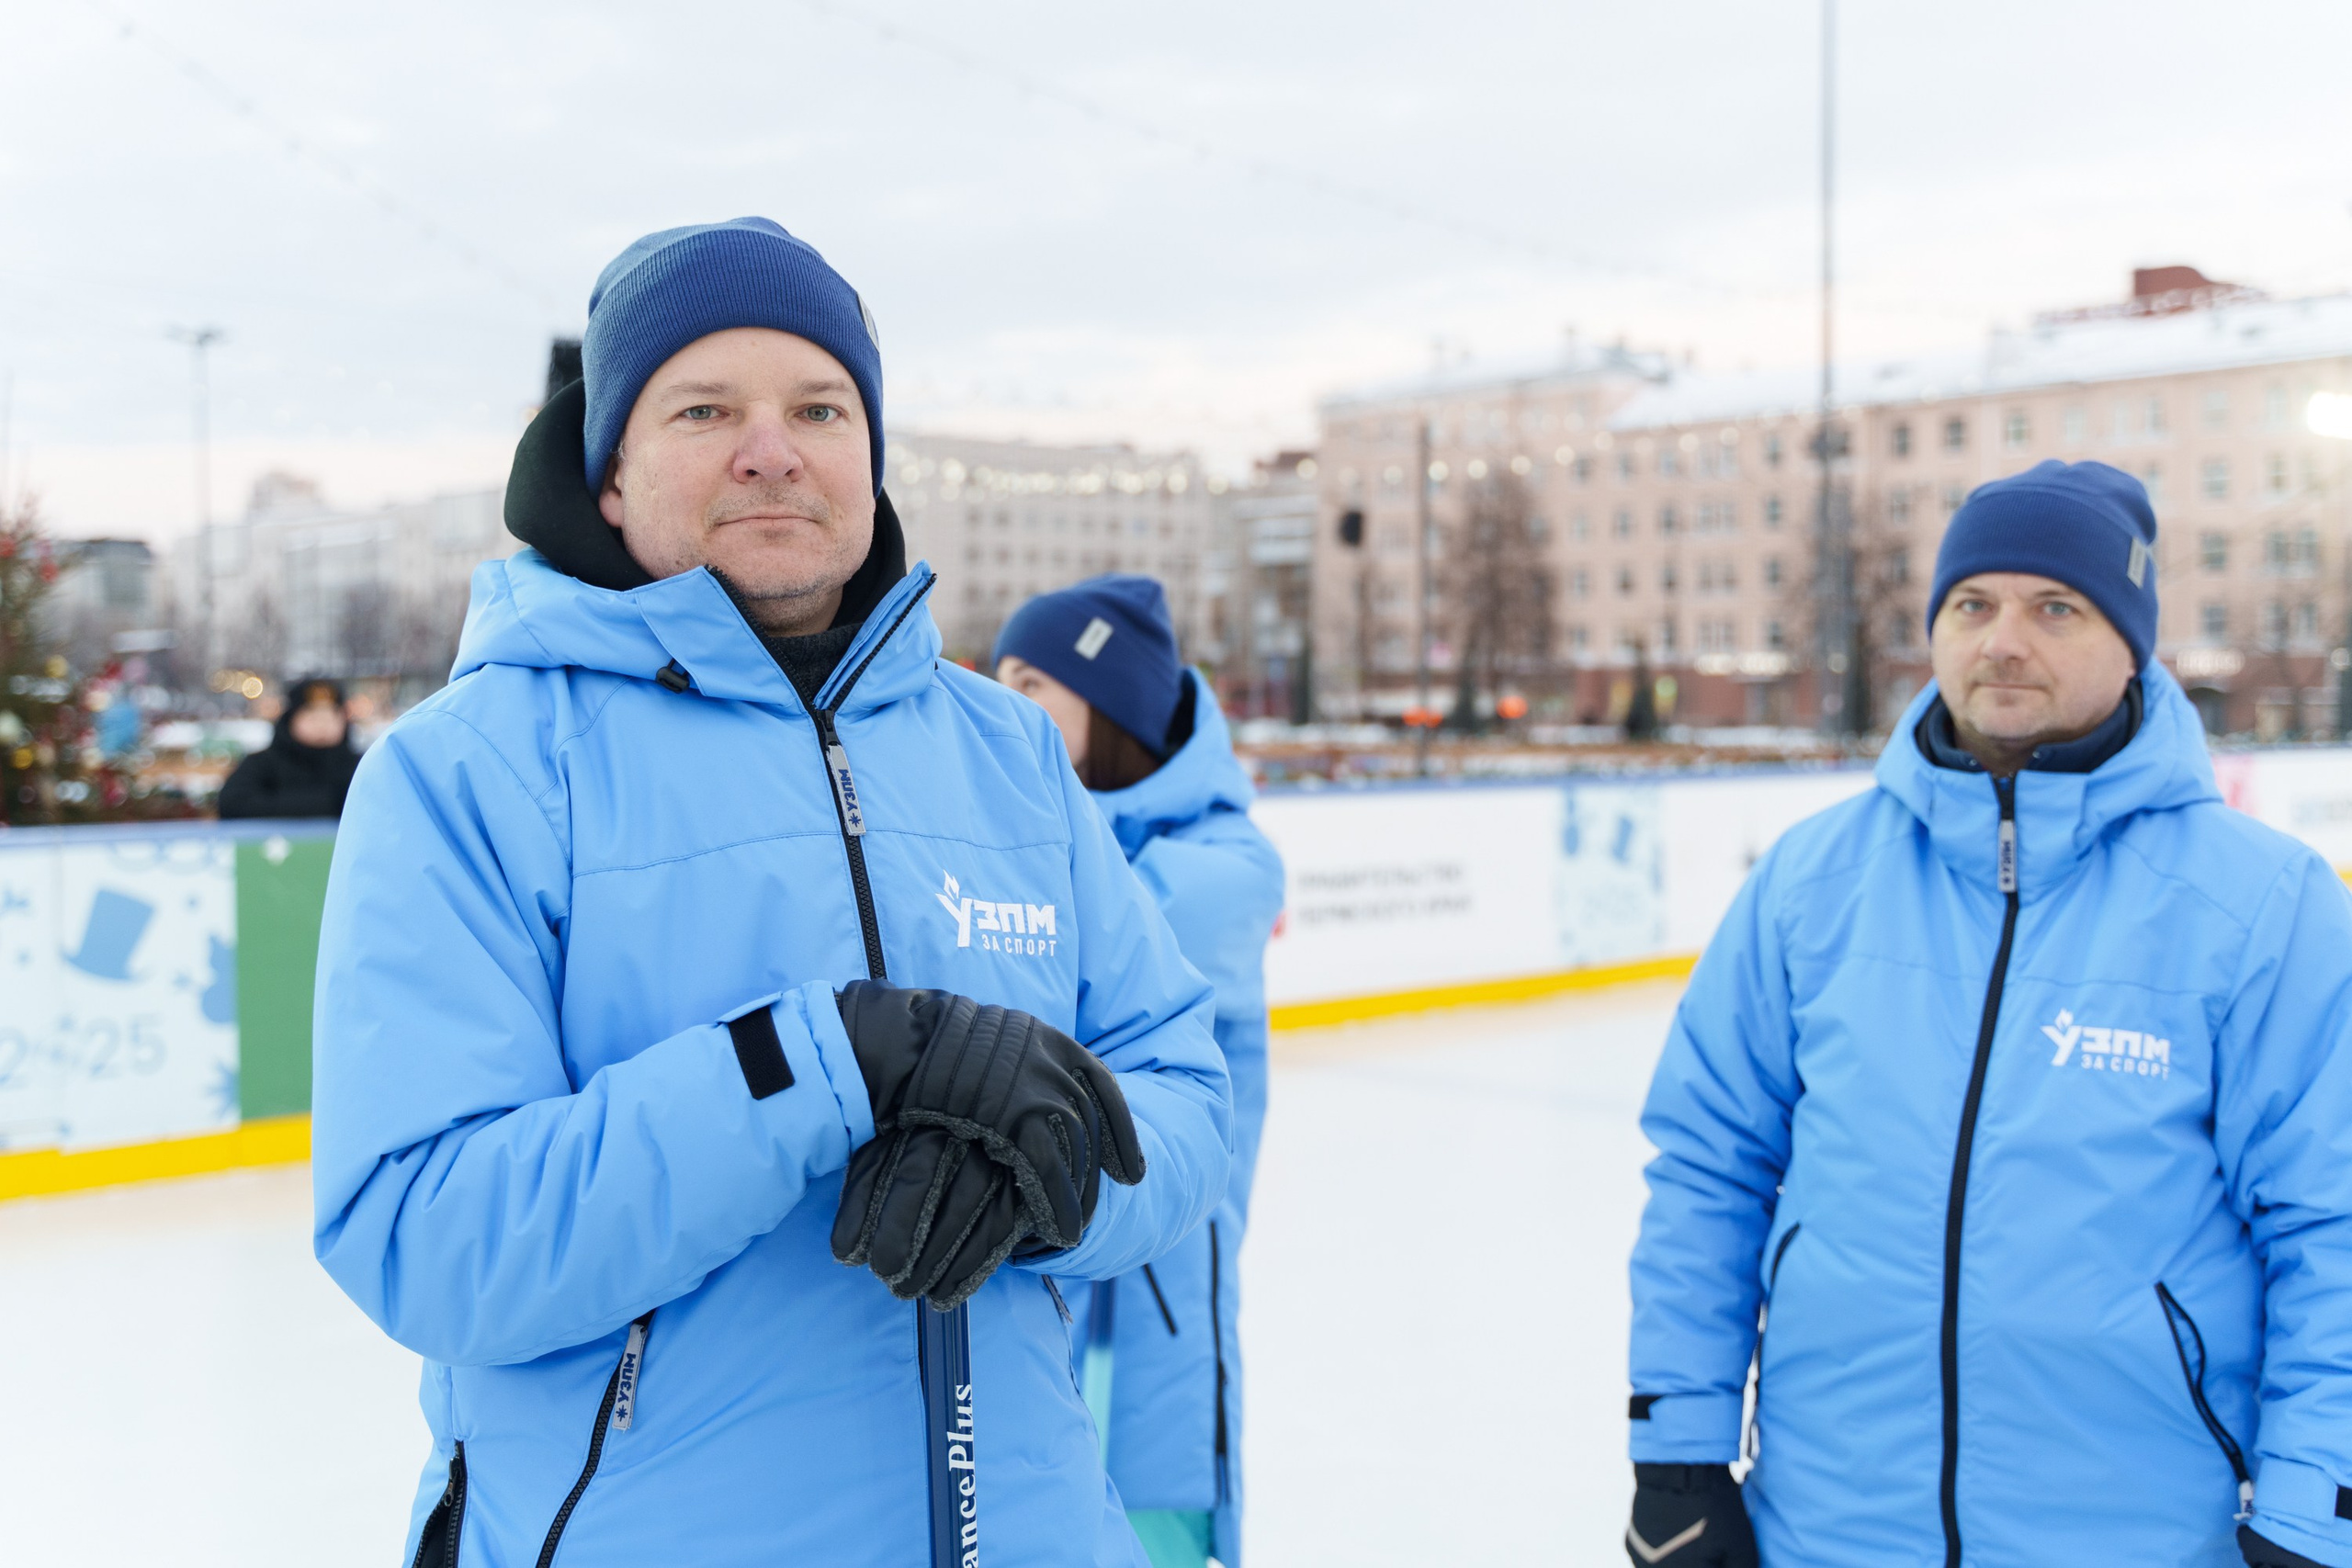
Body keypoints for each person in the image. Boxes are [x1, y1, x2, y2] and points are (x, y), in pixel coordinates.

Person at [311, 218, 1232, 1568]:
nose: (771, 449)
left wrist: (1056, 1173)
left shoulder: (1008, 752)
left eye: (819, 407)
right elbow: (427, 1236)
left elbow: (1185, 1090)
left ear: (869, 455)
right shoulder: (473, 769)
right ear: (609, 475)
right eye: (703, 409)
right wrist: (816, 1060)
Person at [1625, 460, 2352, 1568]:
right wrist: (1675, 1452)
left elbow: (2331, 1224)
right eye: (1972, 604)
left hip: (2142, 1537)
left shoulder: (2262, 906)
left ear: (2132, 644)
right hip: (1828, 1528)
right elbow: (1708, 1169)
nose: (2002, 641)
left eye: (2055, 608)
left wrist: (2313, 1512)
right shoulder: (1811, 882)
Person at [995, 577, 1284, 1568]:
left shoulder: (1225, 862)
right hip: (1036, 1299)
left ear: (1107, 703)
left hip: (1155, 1323)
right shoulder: (1029, 840)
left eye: (1032, 683)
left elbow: (1064, 963)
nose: (1006, 705)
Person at [215, 675, 359, 818]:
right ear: (291, 720)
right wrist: (327, 803)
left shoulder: (357, 766)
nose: (322, 726)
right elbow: (233, 804)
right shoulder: (263, 764)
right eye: (312, 717)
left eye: (330, 718)